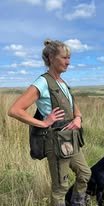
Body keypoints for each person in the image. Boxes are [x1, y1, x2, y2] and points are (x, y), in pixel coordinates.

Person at [8, 39, 91, 206]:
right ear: (52, 58)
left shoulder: (62, 83)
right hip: (57, 142)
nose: (68, 62)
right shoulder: (43, 82)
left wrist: (78, 118)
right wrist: (45, 123)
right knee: (60, 187)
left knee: (85, 173)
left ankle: (77, 202)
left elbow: (76, 108)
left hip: (72, 139)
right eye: (65, 57)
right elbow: (15, 110)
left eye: (69, 58)